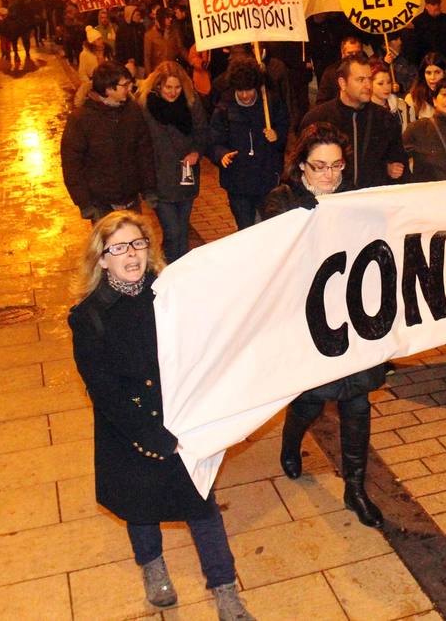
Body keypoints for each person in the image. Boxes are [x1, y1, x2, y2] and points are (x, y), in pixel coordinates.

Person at [68, 211, 253, 620]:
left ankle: (225, 590)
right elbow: (102, 389)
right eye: (119, 248)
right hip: (130, 426)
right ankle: (153, 568)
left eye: (138, 244)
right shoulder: (89, 316)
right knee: (141, 505)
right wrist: (147, 436)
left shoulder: (172, 295)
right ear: (102, 259)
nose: (131, 255)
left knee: (202, 506)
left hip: (180, 419)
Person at [266, 125, 387, 528]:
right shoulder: (282, 202)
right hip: (308, 319)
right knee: (314, 399)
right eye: (320, 167)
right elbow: (269, 261)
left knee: (357, 400)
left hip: (353, 316)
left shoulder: (353, 198)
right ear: (302, 165)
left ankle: (355, 487)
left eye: (337, 165)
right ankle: (292, 436)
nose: (330, 176)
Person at [62, 62, 156, 223]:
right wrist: (84, 203)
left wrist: (149, 189)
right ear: (108, 89)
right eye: (124, 84)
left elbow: (144, 151)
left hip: (131, 199)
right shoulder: (81, 119)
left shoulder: (132, 111)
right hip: (101, 204)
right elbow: (72, 164)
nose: (129, 87)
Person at [298, 53, 407, 189]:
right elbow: (300, 167)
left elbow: (398, 163)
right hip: (331, 201)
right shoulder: (317, 119)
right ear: (342, 83)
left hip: (373, 200)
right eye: (361, 80)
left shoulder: (385, 119)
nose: (368, 85)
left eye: (369, 79)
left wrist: (389, 169)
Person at [138, 62, 210, 263]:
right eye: (168, 87)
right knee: (173, 231)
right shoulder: (145, 106)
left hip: (185, 177)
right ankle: (170, 272)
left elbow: (202, 131)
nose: (173, 92)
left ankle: (175, 269)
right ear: (158, 86)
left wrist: (197, 151)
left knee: (182, 232)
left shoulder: (191, 103)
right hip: (159, 179)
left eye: (177, 87)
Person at [209, 61, 287, 229]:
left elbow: (284, 130)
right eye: (240, 91)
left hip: (266, 179)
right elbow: (214, 141)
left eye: (249, 90)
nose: (245, 95)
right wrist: (221, 154)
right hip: (238, 182)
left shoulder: (270, 104)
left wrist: (277, 135)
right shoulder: (224, 108)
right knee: (245, 227)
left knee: (268, 227)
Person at [408, 0, 446, 64]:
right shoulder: (418, 21)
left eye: (438, 4)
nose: (437, 6)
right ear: (427, 6)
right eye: (433, 4)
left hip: (445, 59)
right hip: (426, 60)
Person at [317, 36, 365, 105]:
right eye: (350, 53)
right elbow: (321, 101)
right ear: (342, 53)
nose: (354, 56)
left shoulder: (369, 70)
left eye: (358, 53)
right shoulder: (330, 72)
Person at [369, 61, 410, 131]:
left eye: (388, 82)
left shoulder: (401, 105)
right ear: (370, 84)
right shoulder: (364, 109)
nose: (386, 87)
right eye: (380, 83)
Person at [145, 7, 184, 74]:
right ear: (161, 19)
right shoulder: (150, 35)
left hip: (172, 70)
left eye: (171, 17)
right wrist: (150, 76)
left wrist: (191, 61)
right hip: (158, 71)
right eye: (167, 17)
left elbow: (181, 49)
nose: (170, 19)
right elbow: (147, 57)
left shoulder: (174, 32)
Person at [115, 7, 146, 79]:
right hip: (127, 63)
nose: (139, 17)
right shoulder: (122, 29)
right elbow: (119, 47)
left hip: (140, 62)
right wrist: (127, 59)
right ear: (130, 15)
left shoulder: (141, 27)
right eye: (137, 15)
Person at [383, 28, 417, 95]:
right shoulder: (379, 59)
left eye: (399, 39)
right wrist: (385, 64)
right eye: (396, 39)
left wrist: (401, 87)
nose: (400, 42)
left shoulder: (405, 57)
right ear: (388, 43)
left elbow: (414, 77)